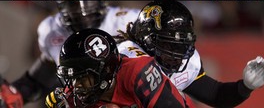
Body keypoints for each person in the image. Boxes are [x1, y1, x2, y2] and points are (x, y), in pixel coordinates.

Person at [117, 0, 264, 107]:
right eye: (170, 45)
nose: (177, 54)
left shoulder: (185, 64)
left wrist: (245, 87)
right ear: (148, 39)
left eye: (181, 46)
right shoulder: (125, 57)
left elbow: (215, 94)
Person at [0, 1, 141, 107]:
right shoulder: (52, 30)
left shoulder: (126, 20)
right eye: (74, 3)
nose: (82, 8)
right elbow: (40, 78)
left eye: (88, 0)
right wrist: (16, 92)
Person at [45, 28, 194, 107]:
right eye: (72, 78)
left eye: (82, 77)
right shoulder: (72, 96)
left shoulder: (137, 73)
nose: (76, 85)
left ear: (106, 70)